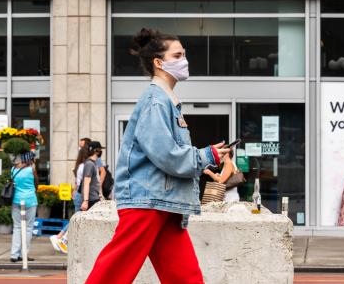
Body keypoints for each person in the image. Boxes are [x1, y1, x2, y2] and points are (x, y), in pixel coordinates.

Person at [85, 28, 228, 284]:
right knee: (114, 272)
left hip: (162, 202)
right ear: (159, 63)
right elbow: (167, 155)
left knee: (185, 277)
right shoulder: (155, 101)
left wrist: (208, 155)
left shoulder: (165, 100)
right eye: (178, 55)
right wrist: (206, 155)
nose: (185, 60)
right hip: (147, 202)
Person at [50, 146, 90, 254]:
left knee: (77, 218)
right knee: (77, 219)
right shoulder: (84, 166)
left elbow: (78, 182)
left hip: (79, 194)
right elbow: (84, 183)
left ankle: (62, 238)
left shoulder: (80, 166)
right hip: (81, 195)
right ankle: (61, 237)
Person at [10, 151, 38, 263]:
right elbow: (36, 184)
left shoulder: (13, 170)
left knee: (17, 227)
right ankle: (24, 254)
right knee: (28, 228)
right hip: (30, 200)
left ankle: (14, 254)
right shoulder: (31, 169)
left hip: (16, 200)